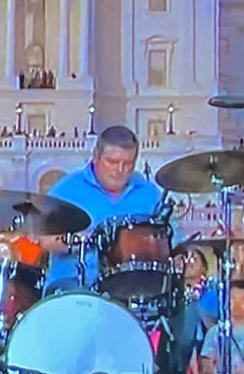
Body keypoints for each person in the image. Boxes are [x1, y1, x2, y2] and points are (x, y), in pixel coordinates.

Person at [40, 124, 163, 293]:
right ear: (96, 157)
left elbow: (172, 244)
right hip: (71, 289)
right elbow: (45, 240)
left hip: (132, 291)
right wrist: (86, 241)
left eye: (127, 163)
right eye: (112, 162)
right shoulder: (68, 189)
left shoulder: (150, 194)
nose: (120, 170)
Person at [199, 280, 244, 374]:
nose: (237, 304)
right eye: (233, 298)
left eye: (243, 299)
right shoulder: (215, 332)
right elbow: (206, 363)